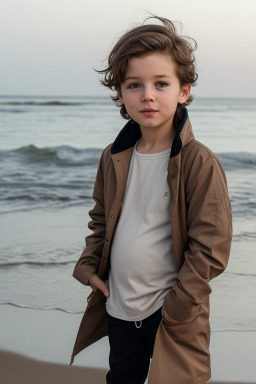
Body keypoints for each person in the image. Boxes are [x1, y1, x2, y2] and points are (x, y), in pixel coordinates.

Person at [70, 16, 232, 384]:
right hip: (120, 307)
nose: (147, 95)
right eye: (134, 85)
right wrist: (90, 268)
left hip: (172, 313)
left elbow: (211, 245)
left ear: (183, 91)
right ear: (121, 93)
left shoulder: (199, 162)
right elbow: (100, 219)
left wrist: (177, 305)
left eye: (161, 83)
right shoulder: (113, 156)